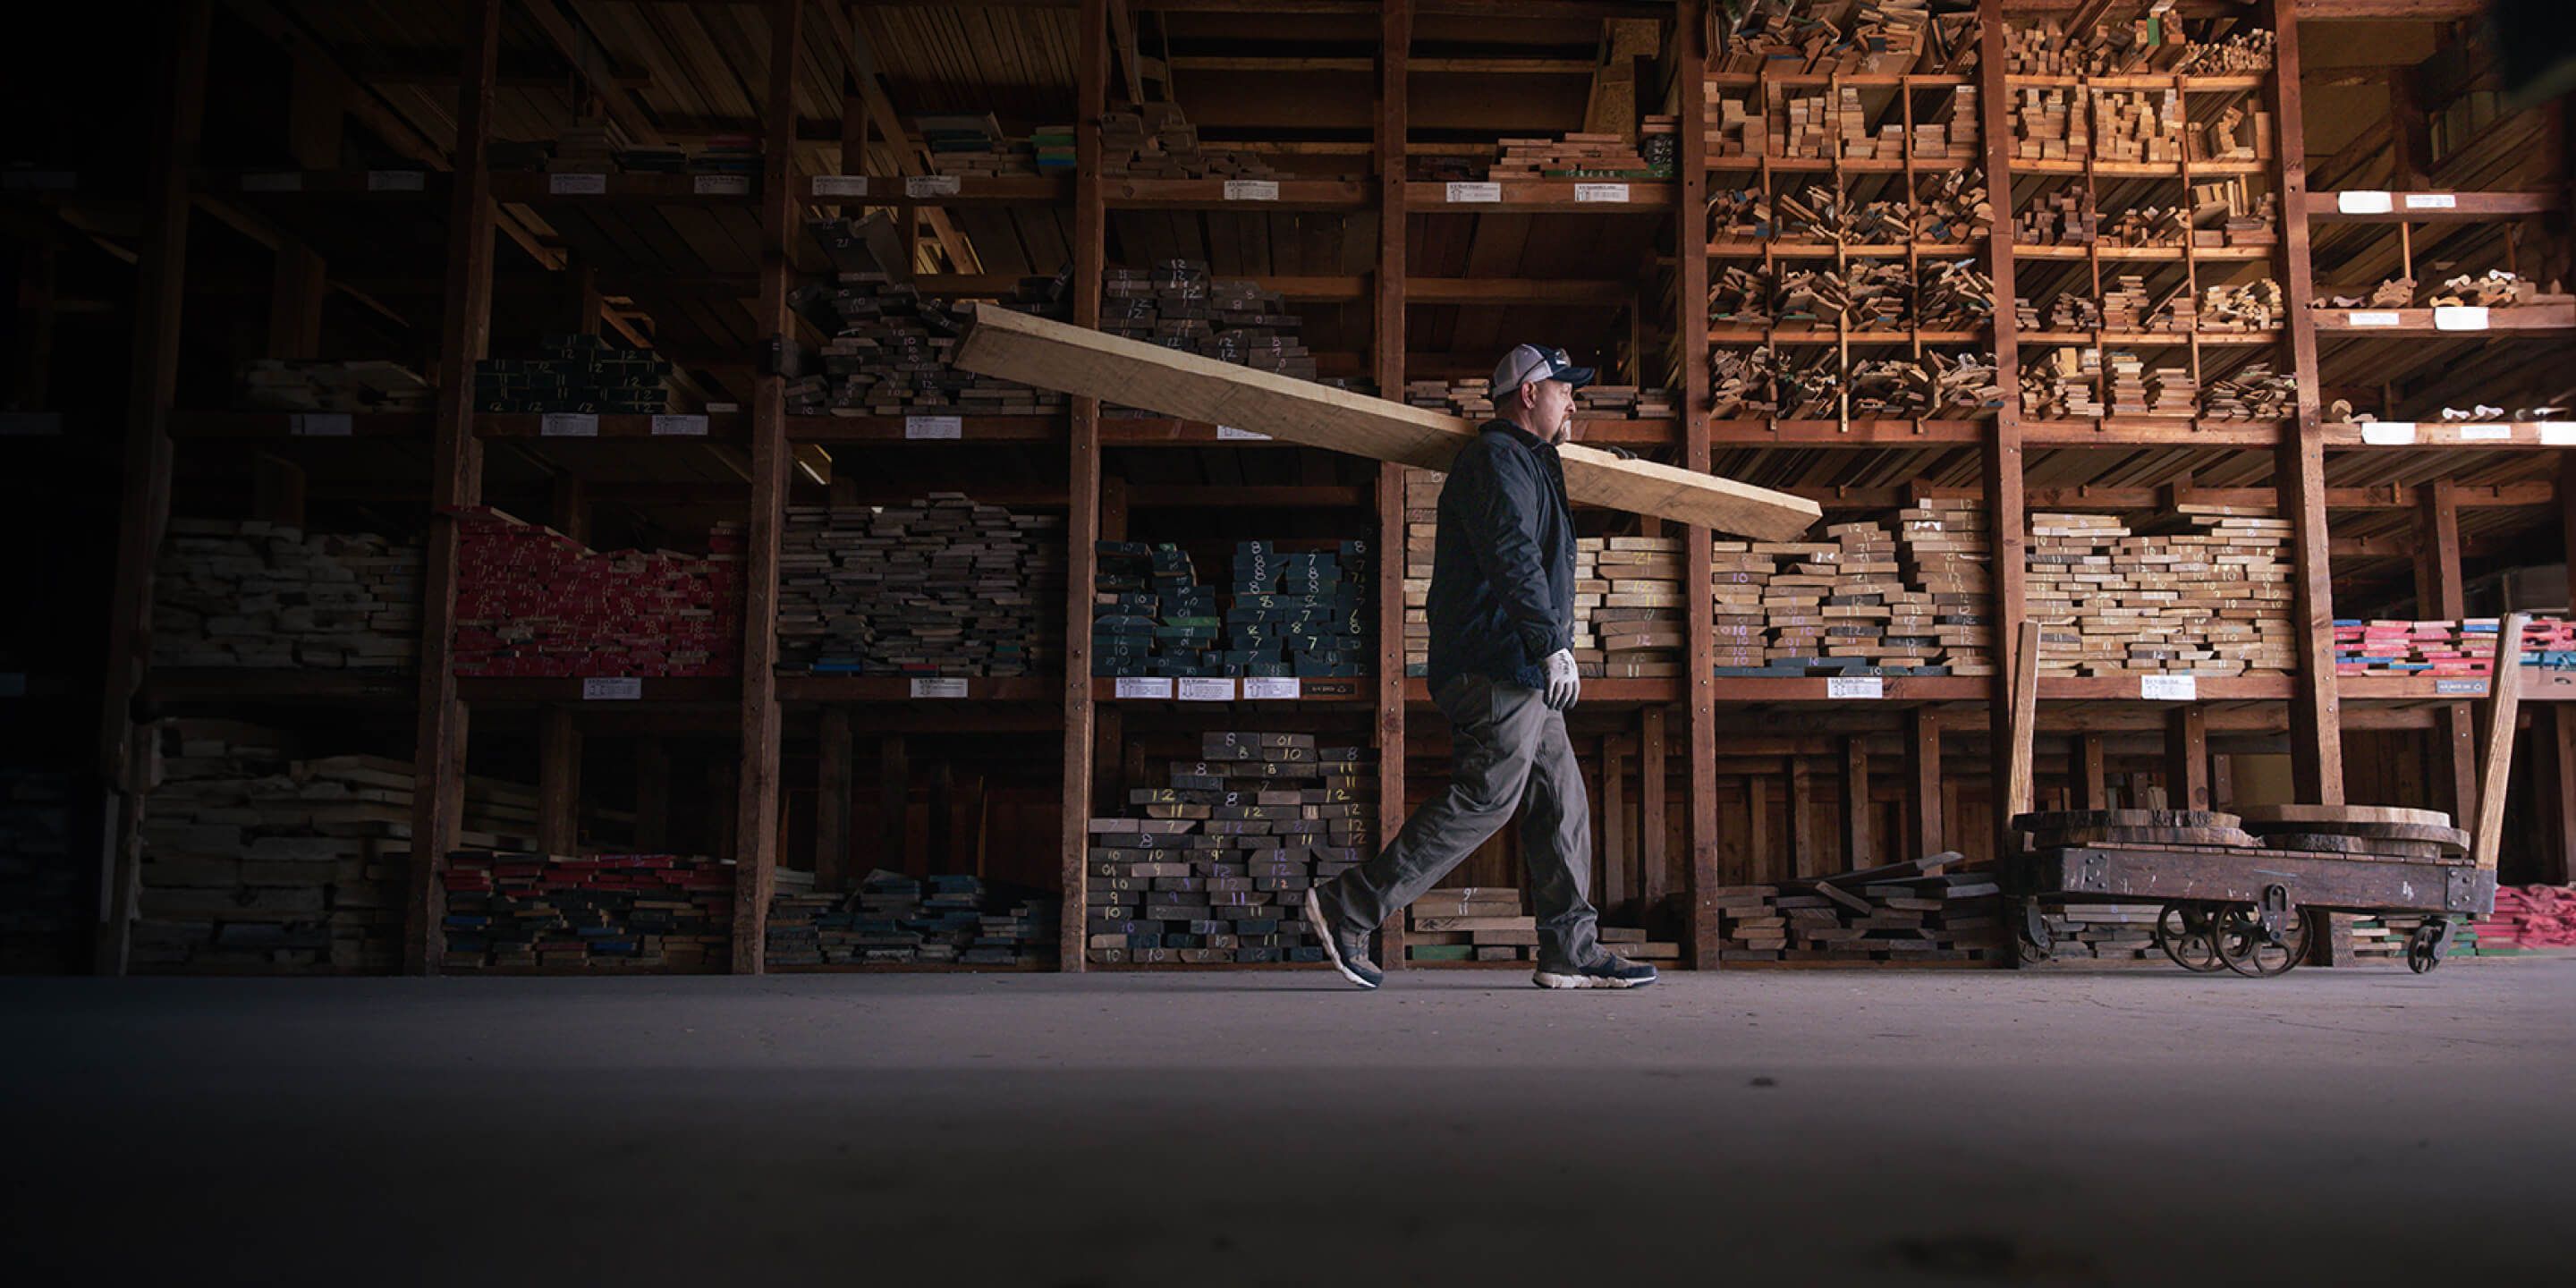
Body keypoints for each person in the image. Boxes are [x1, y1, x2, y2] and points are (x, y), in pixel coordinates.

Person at [1303, 344, 1659, 991]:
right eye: (1564, 391)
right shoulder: (1497, 458)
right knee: (1489, 796)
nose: (1573, 402)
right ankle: (1347, 905)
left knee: (1560, 801)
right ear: (1529, 394)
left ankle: (1568, 950)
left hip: (1519, 665)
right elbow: (1511, 551)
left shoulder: (1526, 460)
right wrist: (1550, 641)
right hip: (1498, 663)